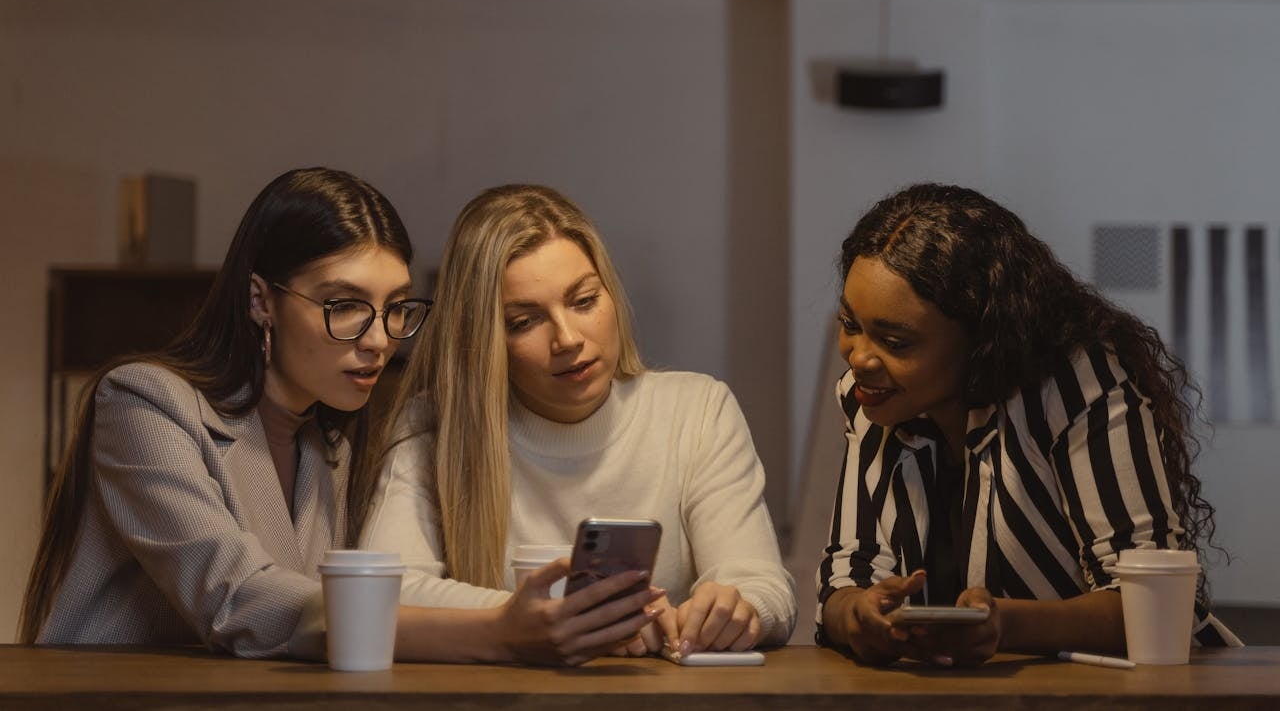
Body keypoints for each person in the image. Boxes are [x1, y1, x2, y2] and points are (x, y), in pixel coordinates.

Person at [361, 184, 796, 666]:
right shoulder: (433, 426)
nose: (567, 339)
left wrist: (738, 608)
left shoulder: (697, 410)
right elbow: (381, 595)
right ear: (484, 339)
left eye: (584, 301)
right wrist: (544, 621)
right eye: (524, 321)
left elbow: (763, 585)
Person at [816, 183, 1241, 667]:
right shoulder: (869, 398)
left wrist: (1006, 627)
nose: (860, 358)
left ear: (980, 338)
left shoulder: (1077, 387)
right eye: (850, 325)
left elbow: (1156, 604)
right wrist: (858, 615)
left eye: (895, 341)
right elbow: (847, 575)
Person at [19, 167, 437, 657]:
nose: (380, 340)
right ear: (261, 301)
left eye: (396, 307)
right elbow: (237, 596)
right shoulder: (142, 402)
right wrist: (484, 633)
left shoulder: (329, 446)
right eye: (344, 305)